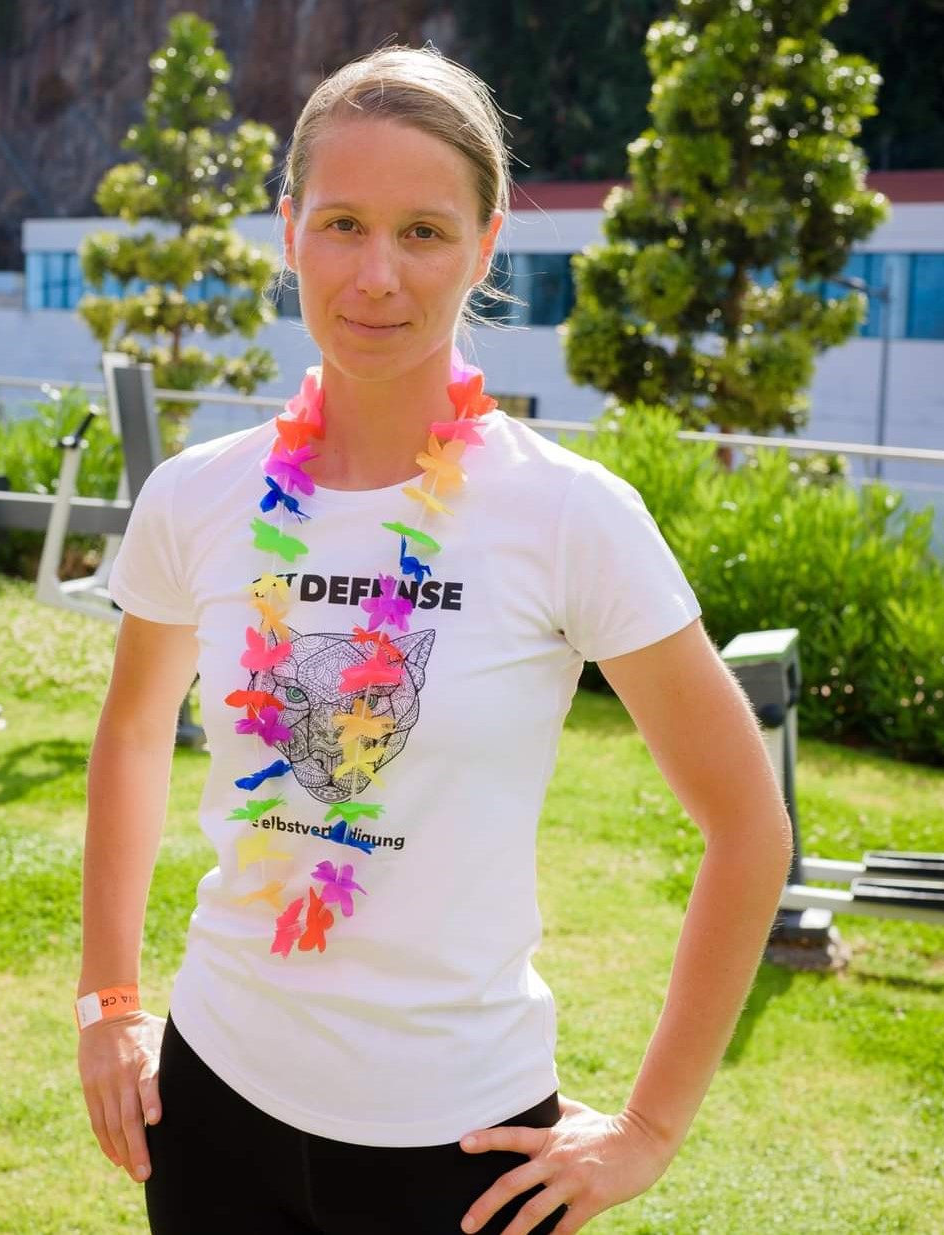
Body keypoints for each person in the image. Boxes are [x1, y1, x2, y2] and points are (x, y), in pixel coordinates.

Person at [76, 43, 793, 1235]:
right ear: (289, 229)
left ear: (487, 243)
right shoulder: (197, 495)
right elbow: (136, 731)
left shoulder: (567, 513)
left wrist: (649, 1127)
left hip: (462, 1149)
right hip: (210, 1108)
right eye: (343, 224)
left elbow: (748, 826)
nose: (378, 275)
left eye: (423, 232)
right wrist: (108, 1000)